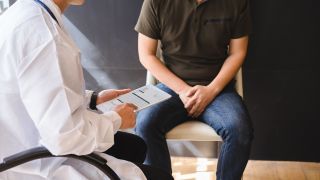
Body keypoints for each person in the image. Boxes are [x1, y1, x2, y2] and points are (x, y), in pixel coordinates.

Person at [0, 0, 173, 179]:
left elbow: (36, 91)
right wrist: (116, 119)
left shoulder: (24, 12)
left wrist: (93, 99)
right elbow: (65, 138)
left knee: (135, 146)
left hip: (21, 146)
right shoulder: (45, 37)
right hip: (35, 164)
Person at [135, 0, 254, 179]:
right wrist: (182, 90)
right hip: (172, 87)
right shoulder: (155, 2)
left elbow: (237, 52)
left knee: (240, 129)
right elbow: (146, 54)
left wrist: (211, 90)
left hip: (217, 88)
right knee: (145, 124)